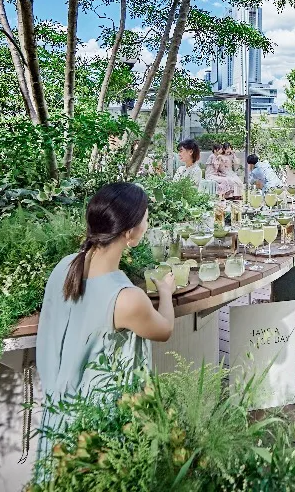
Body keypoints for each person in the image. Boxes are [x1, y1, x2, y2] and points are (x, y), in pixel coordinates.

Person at [35, 183, 175, 470]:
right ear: (130, 234)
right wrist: (165, 292)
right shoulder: (126, 299)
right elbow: (164, 330)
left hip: (58, 420)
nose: (148, 224)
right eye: (146, 218)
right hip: (98, 430)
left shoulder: (65, 267)